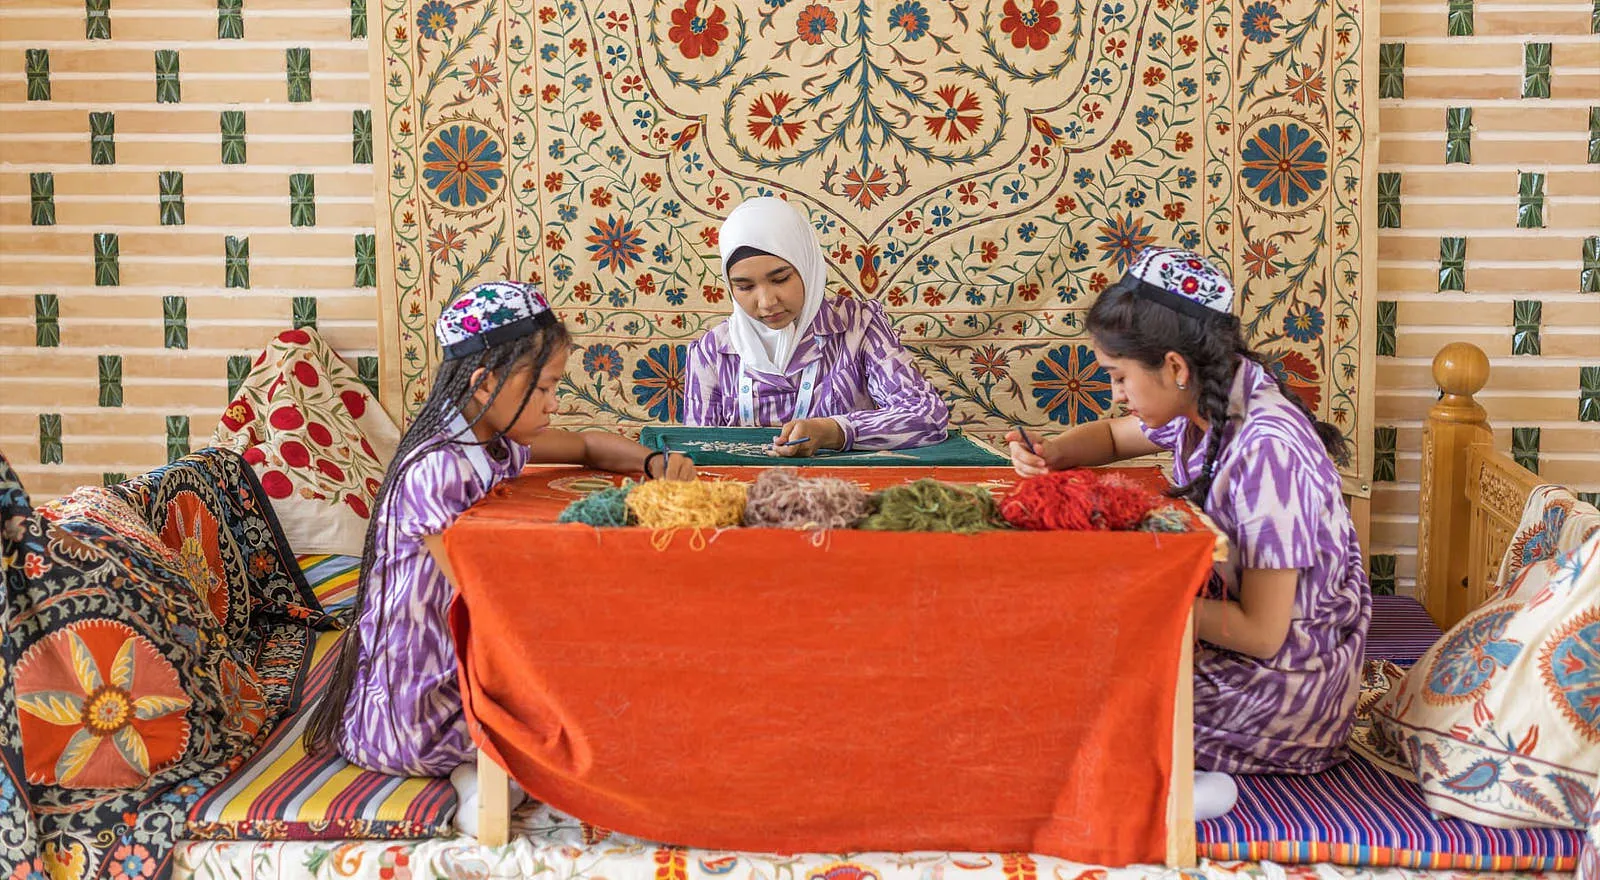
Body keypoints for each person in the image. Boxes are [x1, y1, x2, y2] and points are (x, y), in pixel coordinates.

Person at [301, 281, 695, 833]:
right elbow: (484, 601)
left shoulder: (489, 439)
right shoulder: (441, 468)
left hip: (449, 668)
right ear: (485, 383)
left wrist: (655, 460)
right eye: (545, 389)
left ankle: (480, 773)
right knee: (597, 711)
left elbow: (584, 447)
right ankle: (475, 775)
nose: (554, 403)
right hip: (414, 704)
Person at [1008, 246, 1370, 819]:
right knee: (1049, 656)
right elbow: (1111, 437)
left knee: (1046, 695)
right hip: (1254, 668)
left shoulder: (1267, 448)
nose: (1117, 393)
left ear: (1175, 367)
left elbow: (1263, 634)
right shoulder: (1207, 402)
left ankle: (1170, 789)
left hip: (1287, 698)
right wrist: (1051, 454)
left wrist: (1132, 595)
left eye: (1119, 377)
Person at [684, 196, 949, 456]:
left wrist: (837, 431)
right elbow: (696, 452)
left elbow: (927, 414)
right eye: (744, 287)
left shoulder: (858, 327)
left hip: (847, 493)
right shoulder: (712, 352)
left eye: (780, 279)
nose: (766, 302)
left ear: (807, 264)